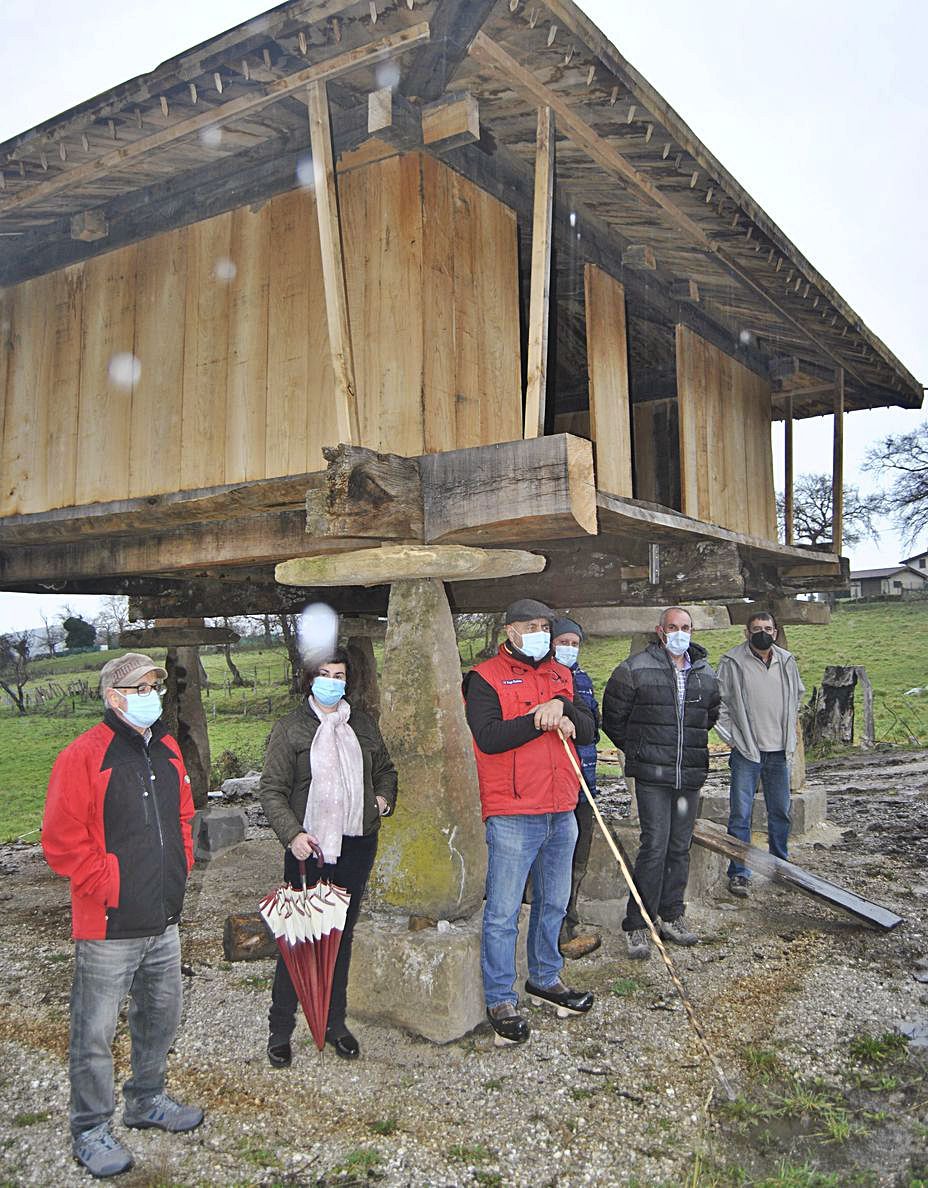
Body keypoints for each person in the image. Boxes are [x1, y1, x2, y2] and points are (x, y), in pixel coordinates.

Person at [42, 653, 202, 1180]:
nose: (154, 692)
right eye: (143, 685)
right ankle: (89, 1128)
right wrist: (110, 887)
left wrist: (177, 873)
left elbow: (182, 816)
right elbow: (62, 843)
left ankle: (146, 1100)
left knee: (159, 1018)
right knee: (94, 1034)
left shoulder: (168, 748)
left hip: (164, 918)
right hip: (109, 924)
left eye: (157, 684)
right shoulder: (83, 755)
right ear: (115, 696)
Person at [463, 598, 596, 1046]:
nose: (541, 631)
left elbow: (590, 728)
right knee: (502, 912)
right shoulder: (484, 678)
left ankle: (546, 978)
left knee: (554, 903)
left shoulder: (561, 674)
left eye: (546, 625)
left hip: (562, 806)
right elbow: (489, 737)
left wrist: (565, 709)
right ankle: (500, 996)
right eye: (533, 625)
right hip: (514, 811)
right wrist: (539, 720)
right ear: (511, 630)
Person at [260, 649, 397, 1066]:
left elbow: (386, 769)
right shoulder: (290, 729)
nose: (333, 682)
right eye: (324, 674)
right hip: (311, 848)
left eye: (339, 674)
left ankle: (335, 1024)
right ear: (309, 680)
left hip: (356, 843)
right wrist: (293, 834)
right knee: (299, 940)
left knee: (340, 936)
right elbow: (272, 790)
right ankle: (280, 1029)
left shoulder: (362, 724)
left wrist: (382, 799)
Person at [602, 608, 720, 960]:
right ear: (660, 631)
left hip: (689, 775)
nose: (680, 633)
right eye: (673, 627)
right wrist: (640, 750)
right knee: (654, 846)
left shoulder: (705, 673)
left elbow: (708, 716)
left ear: (692, 631)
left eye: (685, 627)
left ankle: (672, 915)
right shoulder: (634, 669)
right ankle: (638, 923)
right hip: (653, 776)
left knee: (680, 846)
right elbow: (614, 718)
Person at [715, 610, 805, 897]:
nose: (762, 632)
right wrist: (732, 739)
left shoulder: (787, 661)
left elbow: (797, 696)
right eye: (756, 628)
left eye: (767, 628)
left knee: (780, 811)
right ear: (747, 632)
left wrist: (789, 733)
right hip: (747, 752)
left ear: (775, 632)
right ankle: (740, 872)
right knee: (741, 814)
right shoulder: (732, 661)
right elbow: (719, 704)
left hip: (779, 751)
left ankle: (781, 865)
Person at [550, 616, 602, 960]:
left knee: (578, 859)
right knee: (550, 860)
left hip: (585, 783)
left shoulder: (582, 678)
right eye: (563, 641)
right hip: (554, 785)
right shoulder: (542, 678)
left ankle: (569, 922)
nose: (569, 648)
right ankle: (547, 931)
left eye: (574, 642)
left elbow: (594, 729)